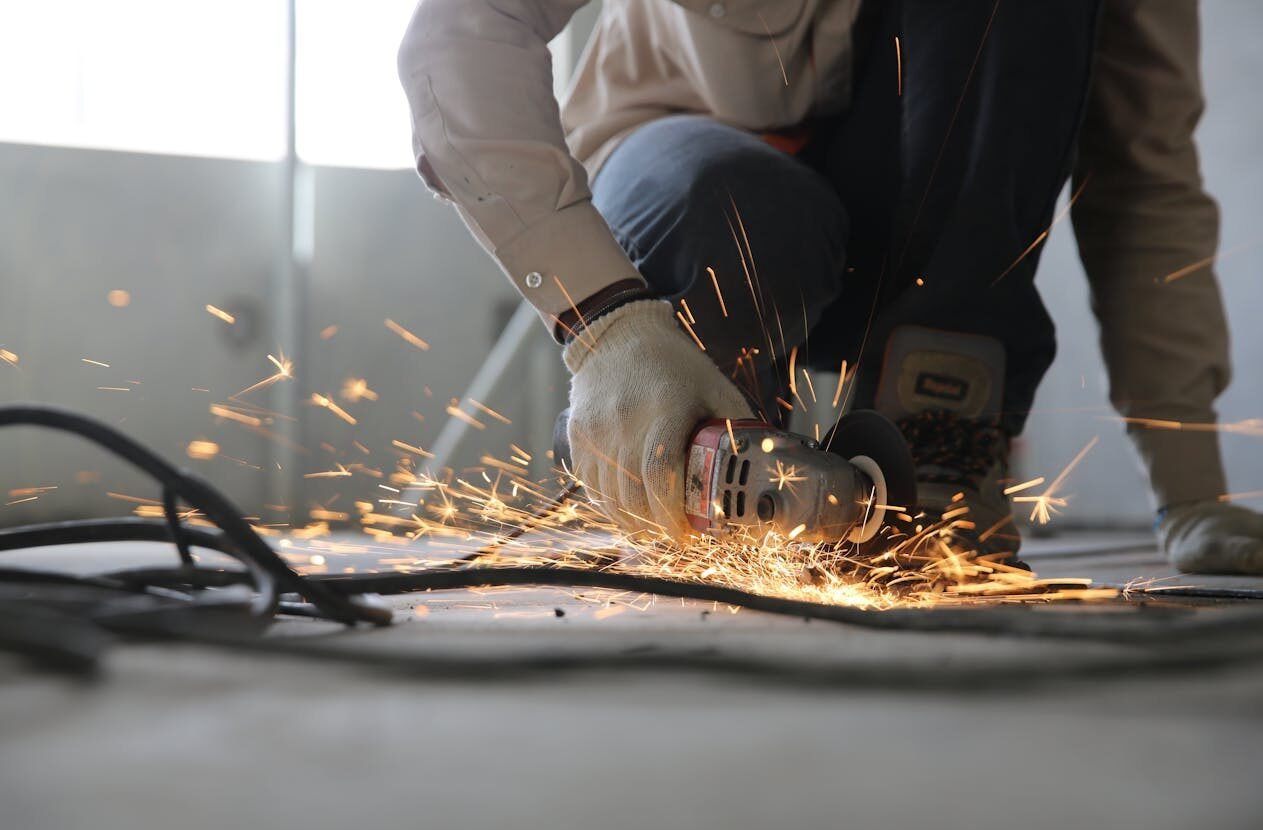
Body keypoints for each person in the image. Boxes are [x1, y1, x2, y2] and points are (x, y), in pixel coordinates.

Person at [397, 0, 1263, 574]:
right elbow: (462, 34)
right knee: (730, 203)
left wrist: (1190, 491)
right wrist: (604, 326)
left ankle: (936, 446)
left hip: (930, 247)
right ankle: (707, 451)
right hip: (695, 193)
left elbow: (1144, 180)